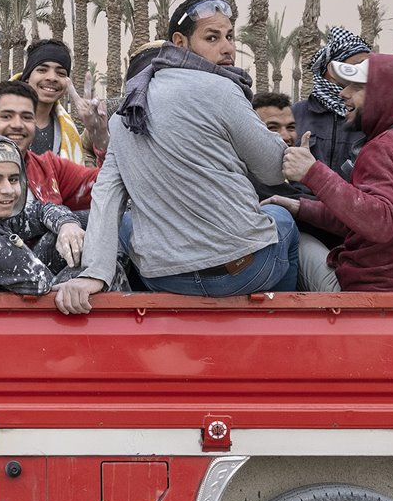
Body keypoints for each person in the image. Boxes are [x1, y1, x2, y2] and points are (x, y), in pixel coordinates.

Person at [55, 22, 297, 313]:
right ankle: (282, 316)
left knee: (129, 224)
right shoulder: (218, 91)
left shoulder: (124, 119)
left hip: (164, 280)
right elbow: (273, 170)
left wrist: (94, 273)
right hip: (241, 274)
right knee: (281, 218)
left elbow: (106, 196)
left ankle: (156, 316)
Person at [267, 54, 393, 292]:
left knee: (292, 238)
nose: (343, 93)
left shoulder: (384, 147)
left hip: (373, 291)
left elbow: (378, 223)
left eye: (356, 87)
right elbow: (363, 218)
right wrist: (300, 207)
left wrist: (312, 172)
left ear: (385, 96)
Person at [0, 128, 84, 293]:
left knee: (71, 232)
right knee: (103, 266)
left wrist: (67, 225)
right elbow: (41, 281)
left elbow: (41, 210)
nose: (8, 190)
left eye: (13, 179)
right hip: (3, 315)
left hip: (18, 306)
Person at [0, 39, 100, 163]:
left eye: (60, 73)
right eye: (42, 70)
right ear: (27, 76)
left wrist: (98, 132)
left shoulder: (68, 131)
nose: (52, 78)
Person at [0, 79, 97, 211]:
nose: (17, 125)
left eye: (26, 117)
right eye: (7, 116)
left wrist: (99, 136)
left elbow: (107, 184)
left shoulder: (50, 169)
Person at [292, 28, 371, 180]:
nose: (366, 73)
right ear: (333, 71)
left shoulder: (369, 119)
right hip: (298, 201)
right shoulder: (296, 115)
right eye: (359, 66)